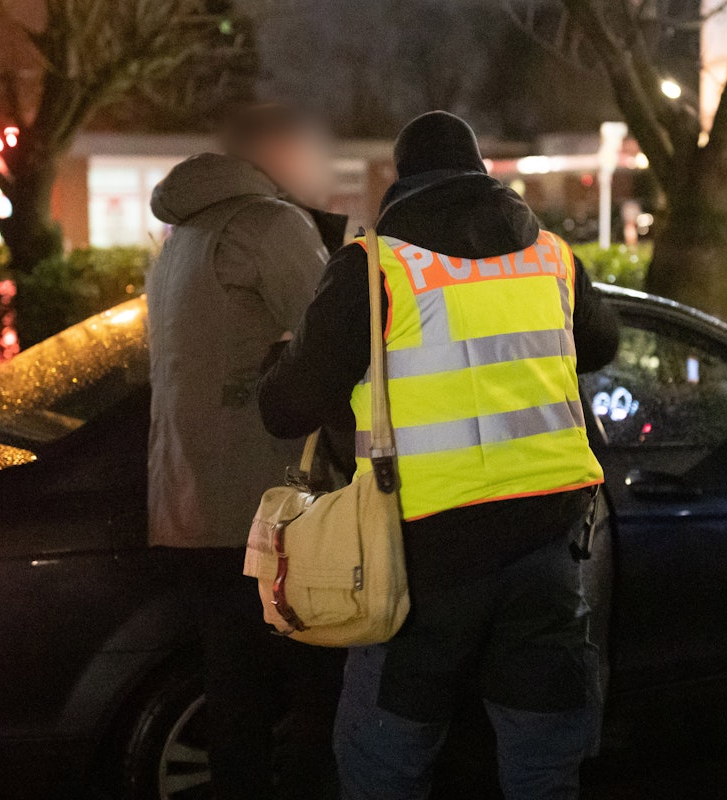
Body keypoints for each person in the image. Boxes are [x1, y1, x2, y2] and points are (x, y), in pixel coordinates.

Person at [258, 111, 620, 800]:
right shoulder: (549, 257)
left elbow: (284, 409)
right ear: (480, 172)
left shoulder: (376, 269)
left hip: (424, 555)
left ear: (401, 181)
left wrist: (287, 351)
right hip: (548, 544)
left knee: (385, 760)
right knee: (541, 759)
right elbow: (599, 345)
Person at [146, 104, 348, 800]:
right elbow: (326, 337)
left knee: (234, 688)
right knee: (318, 681)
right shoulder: (268, 225)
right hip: (265, 502)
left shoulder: (184, 236)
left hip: (188, 501)